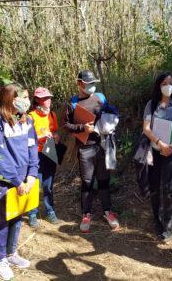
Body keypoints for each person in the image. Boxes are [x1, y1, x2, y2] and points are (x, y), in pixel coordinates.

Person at [0, 84, 39, 281]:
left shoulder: (26, 119)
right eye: (21, 97)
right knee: (3, 221)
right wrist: (16, 181)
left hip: (25, 181)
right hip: (2, 182)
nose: (26, 100)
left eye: (26, 97)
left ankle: (11, 253)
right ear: (9, 98)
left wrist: (32, 175)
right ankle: (0, 260)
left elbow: (32, 147)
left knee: (17, 218)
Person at [63, 70, 120, 233]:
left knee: (103, 180)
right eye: (88, 84)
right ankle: (86, 214)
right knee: (87, 182)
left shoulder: (100, 98)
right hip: (85, 147)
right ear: (80, 84)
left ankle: (108, 212)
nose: (91, 86)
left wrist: (112, 120)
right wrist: (83, 128)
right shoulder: (73, 103)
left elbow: (110, 112)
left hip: (102, 145)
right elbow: (66, 125)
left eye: (93, 83)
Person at [142, 72, 172, 242]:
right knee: (154, 186)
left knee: (169, 187)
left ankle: (168, 225)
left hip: (171, 151)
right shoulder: (151, 104)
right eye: (164, 83)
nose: (167, 86)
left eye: (170, 82)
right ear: (158, 86)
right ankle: (156, 219)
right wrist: (160, 143)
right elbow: (146, 128)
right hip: (154, 151)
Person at [27, 87, 61, 227]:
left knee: (48, 185)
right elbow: (26, 138)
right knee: (35, 184)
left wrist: (56, 136)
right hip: (35, 154)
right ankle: (32, 214)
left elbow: (55, 131)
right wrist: (41, 136)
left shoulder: (52, 115)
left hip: (49, 151)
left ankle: (50, 211)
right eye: (45, 98)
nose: (48, 100)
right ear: (37, 100)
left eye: (49, 98)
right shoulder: (30, 117)